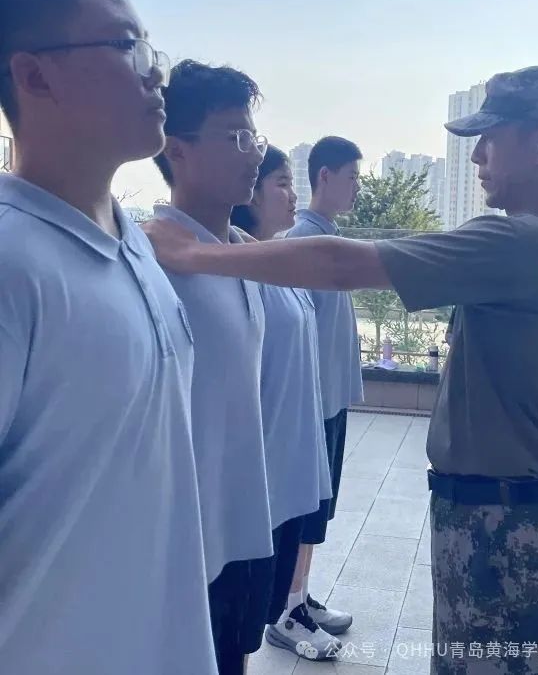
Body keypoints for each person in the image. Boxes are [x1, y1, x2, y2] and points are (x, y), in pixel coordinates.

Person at [143, 65, 538, 673]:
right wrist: (227, 247)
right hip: (500, 517)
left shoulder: (527, 244)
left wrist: (194, 252)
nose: (477, 157)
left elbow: (343, 265)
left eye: (491, 139)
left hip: (510, 529)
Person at [0, 0, 217, 675]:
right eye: (125, 45)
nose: (155, 71)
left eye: (149, 46)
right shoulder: (10, 261)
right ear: (35, 75)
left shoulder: (136, 246)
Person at [152, 60, 274, 675]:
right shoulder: (155, 259)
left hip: (241, 523)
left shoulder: (238, 254)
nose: (255, 152)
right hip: (184, 543)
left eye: (254, 136)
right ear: (177, 149)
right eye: (235, 136)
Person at [231, 145, 339, 661]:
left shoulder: (278, 263)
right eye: (281, 183)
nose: (293, 194)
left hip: (293, 463)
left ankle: (292, 608)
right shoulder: (240, 268)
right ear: (250, 194)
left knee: (257, 609)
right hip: (265, 473)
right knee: (239, 623)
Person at [284, 136, 363, 635]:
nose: (357, 187)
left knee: (320, 509)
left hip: (330, 401)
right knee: (307, 508)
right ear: (324, 177)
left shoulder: (328, 239)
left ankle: (299, 596)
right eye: (351, 177)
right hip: (311, 405)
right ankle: (289, 608)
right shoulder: (302, 244)